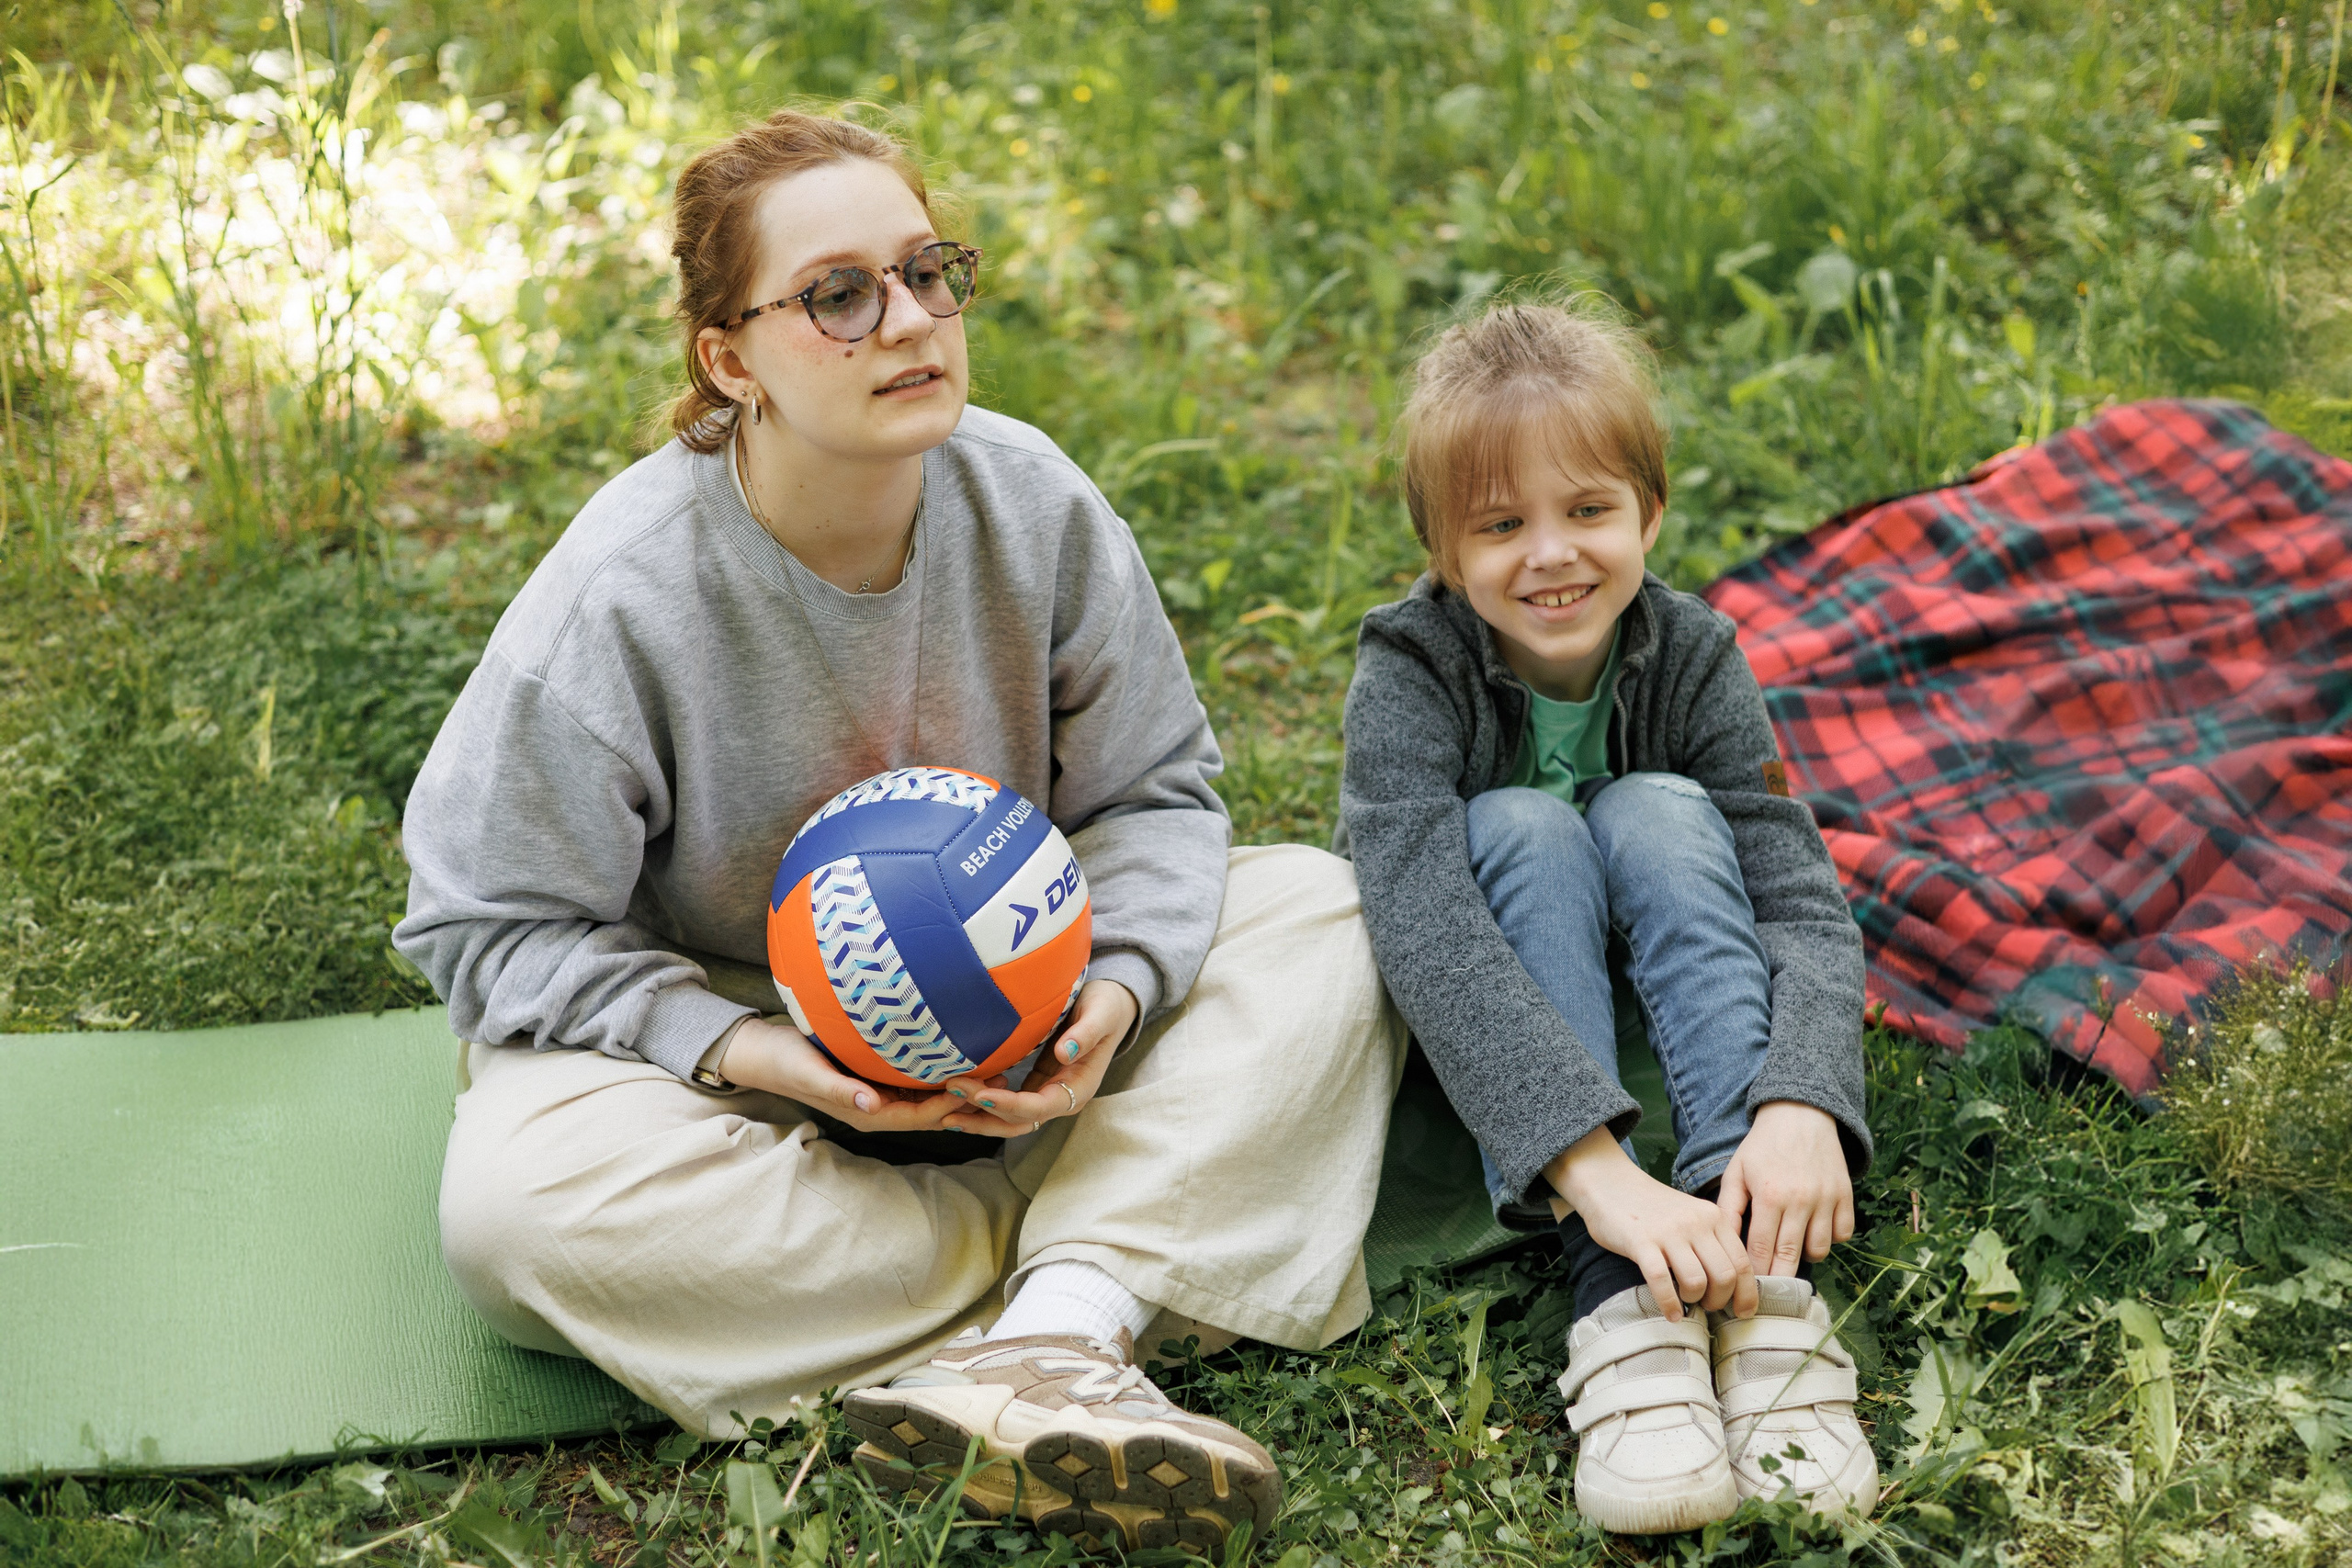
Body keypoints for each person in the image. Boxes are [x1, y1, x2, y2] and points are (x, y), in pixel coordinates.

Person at [393, 107, 1405, 1556]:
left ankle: (1030, 1332)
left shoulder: (1034, 501)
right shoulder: (621, 600)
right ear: (728, 359)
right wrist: (761, 1056)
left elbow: (1154, 797)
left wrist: (1112, 999)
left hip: (1031, 1010)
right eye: (840, 295)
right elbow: (486, 927)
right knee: (512, 1216)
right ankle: (1083, 1293)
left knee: (1316, 914)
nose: (910, 321)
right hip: (736, 1055)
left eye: (929, 272)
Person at [1336, 298, 1877, 1533]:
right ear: (1439, 548)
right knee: (1522, 824)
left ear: (1651, 515)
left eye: (1589, 511)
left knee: (1661, 807)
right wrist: (1597, 1183)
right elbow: (1421, 924)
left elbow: (1794, 896)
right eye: (1500, 525)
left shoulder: (1691, 654)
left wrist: (1803, 1101)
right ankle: (1620, 1299)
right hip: (1501, 1045)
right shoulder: (1409, 672)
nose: (1551, 556)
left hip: (1679, 1002)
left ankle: (1761, 1273)